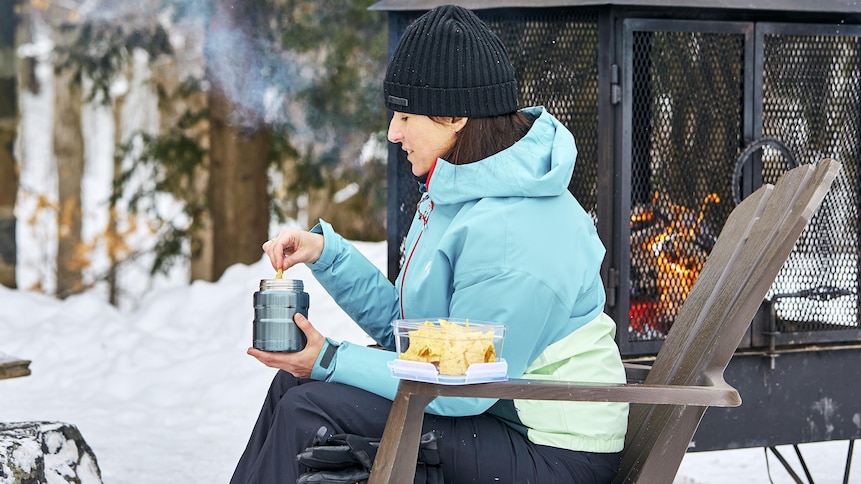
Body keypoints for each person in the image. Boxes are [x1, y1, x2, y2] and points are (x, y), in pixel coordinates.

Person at [230, 5, 628, 483]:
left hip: (553, 449)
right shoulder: (461, 196)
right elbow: (416, 337)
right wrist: (327, 255)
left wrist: (330, 359)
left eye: (405, 115)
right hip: (493, 416)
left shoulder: (513, 229)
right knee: (290, 388)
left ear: (456, 115)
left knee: (310, 407)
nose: (393, 133)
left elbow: (459, 388)